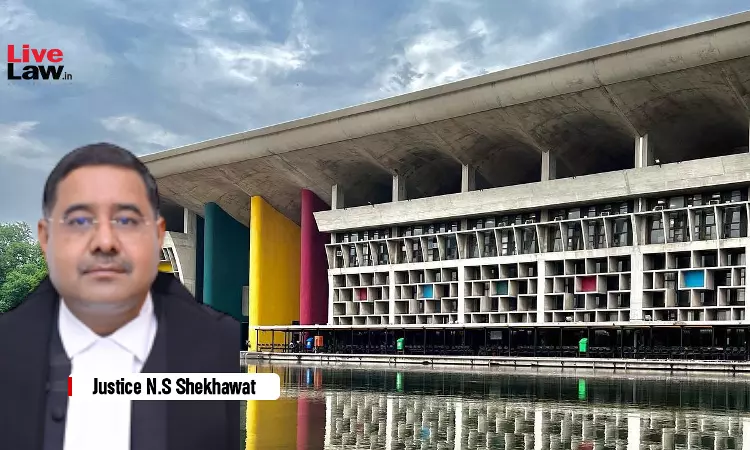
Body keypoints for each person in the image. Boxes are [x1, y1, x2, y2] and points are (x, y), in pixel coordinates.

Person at [0, 143, 240, 450]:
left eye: (126, 221)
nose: (105, 242)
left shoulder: (213, 347)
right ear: (46, 238)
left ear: (157, 236)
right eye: (79, 221)